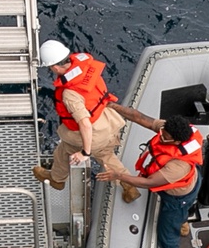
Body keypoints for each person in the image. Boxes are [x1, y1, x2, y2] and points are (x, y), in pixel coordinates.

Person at [98, 104, 204, 248]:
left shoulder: (179, 165)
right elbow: (139, 117)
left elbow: (149, 183)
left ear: (177, 142)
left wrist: (118, 176)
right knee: (180, 214)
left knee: (166, 235)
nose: (160, 134)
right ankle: (182, 222)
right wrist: (110, 104)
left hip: (177, 195)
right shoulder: (171, 129)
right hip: (186, 184)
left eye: (165, 137)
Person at [32, 39, 140, 202]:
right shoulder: (85, 66)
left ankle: (57, 180)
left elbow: (84, 123)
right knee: (106, 156)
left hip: (94, 132)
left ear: (54, 67)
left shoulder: (69, 94)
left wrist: (85, 152)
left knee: (63, 151)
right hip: (108, 120)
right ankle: (130, 187)